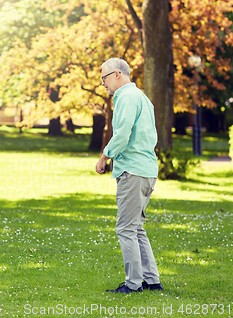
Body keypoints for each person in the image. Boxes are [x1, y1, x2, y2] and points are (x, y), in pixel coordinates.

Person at [95, 58, 163, 293]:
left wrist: (105, 156)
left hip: (132, 170)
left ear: (116, 75)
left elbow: (122, 134)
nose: (102, 83)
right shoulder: (142, 97)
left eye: (103, 77)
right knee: (136, 228)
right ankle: (152, 280)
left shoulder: (125, 97)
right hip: (146, 170)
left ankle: (133, 284)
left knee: (125, 228)